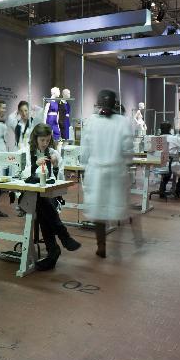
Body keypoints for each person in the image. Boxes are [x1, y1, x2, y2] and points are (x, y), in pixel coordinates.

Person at [81, 90, 133, 258]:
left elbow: (85, 149)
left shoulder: (91, 122)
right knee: (117, 209)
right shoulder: (123, 122)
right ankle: (117, 247)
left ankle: (101, 245)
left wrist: (84, 165)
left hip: (96, 172)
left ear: (98, 103)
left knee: (99, 212)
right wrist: (125, 163)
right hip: (116, 171)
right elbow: (128, 150)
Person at [21, 124, 80, 270]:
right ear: (35, 139)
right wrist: (35, 165)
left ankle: (53, 252)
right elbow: (21, 175)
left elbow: (59, 180)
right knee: (41, 201)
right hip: (28, 196)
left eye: (47, 140)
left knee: (42, 205)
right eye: (42, 140)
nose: (45, 143)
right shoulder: (26, 153)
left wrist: (55, 165)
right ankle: (63, 236)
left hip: (49, 196)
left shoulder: (53, 153)